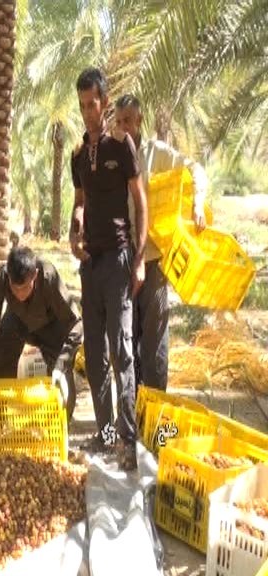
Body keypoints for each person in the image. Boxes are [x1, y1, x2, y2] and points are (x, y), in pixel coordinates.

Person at [69, 67, 147, 471]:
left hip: (118, 260)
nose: (87, 112)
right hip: (90, 265)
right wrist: (73, 231)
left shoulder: (123, 147)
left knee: (122, 352)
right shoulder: (78, 155)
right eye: (82, 105)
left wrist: (139, 260)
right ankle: (106, 434)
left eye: (92, 103)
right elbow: (80, 201)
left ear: (104, 100)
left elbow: (141, 202)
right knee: (95, 353)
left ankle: (128, 444)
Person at [115, 94, 208, 393]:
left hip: (154, 259)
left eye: (128, 120)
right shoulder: (112, 156)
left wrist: (198, 203)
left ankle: (156, 411)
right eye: (118, 122)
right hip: (123, 259)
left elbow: (196, 169)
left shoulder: (157, 154)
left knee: (154, 338)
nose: (123, 127)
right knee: (128, 334)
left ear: (140, 120)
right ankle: (132, 409)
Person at [0, 246, 83, 419]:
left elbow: (75, 324)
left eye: (24, 287)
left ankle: (62, 424)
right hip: (18, 321)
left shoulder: (48, 277)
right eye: (14, 288)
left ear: (35, 275)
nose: (19, 294)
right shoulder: (2, 279)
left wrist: (61, 366)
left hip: (52, 327)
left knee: (60, 383)